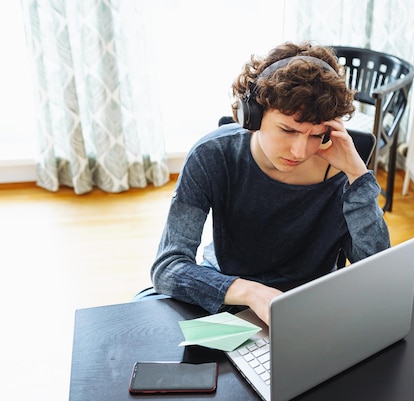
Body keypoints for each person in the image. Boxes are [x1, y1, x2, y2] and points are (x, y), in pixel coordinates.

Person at [151, 41, 390, 325]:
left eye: (317, 134)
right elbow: (169, 267)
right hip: (232, 296)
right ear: (253, 115)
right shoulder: (212, 155)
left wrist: (357, 176)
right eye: (288, 130)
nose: (300, 151)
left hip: (311, 309)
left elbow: (378, 274)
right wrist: (251, 292)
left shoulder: (344, 169)